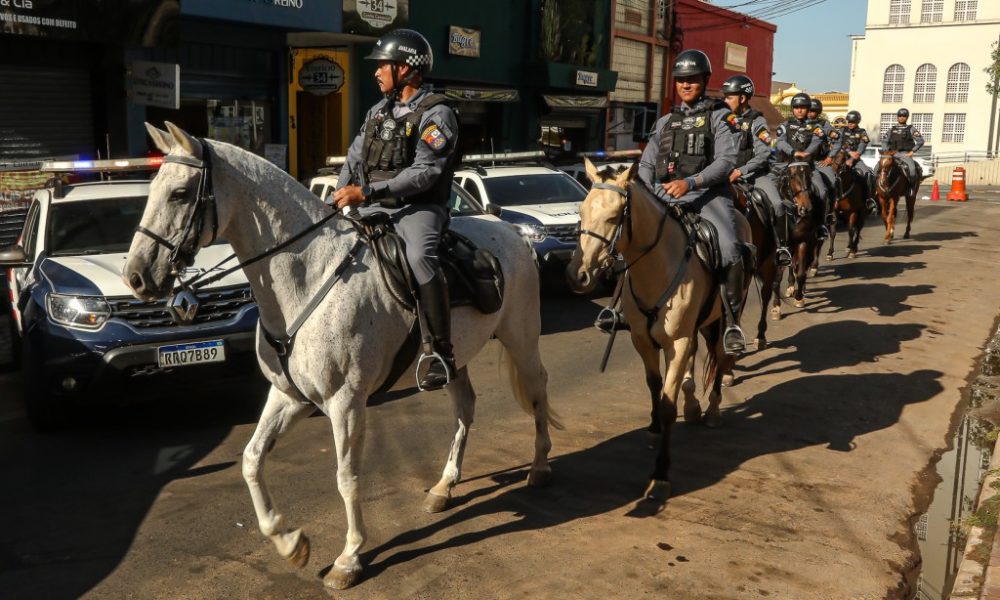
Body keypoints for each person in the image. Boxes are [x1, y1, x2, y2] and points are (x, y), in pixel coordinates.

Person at [333, 28, 460, 390]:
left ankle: (441, 352)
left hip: (418, 209)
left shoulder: (437, 114)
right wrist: (339, 193)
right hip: (373, 205)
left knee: (420, 256)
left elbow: (425, 173)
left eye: (382, 65)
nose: (375, 72)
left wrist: (368, 191)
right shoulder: (377, 111)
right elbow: (355, 157)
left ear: (405, 69)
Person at [638, 49, 748, 355]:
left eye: (693, 79)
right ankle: (624, 310)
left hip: (707, 197)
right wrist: (650, 190)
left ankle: (732, 322)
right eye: (681, 80)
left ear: (704, 81)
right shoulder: (664, 123)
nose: (686, 85)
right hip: (664, 196)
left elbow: (727, 161)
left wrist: (690, 182)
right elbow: (646, 164)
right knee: (630, 240)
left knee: (729, 248)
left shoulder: (720, 117)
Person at [721, 74, 791, 266]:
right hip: (724, 176)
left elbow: (763, 154)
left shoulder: (757, 122)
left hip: (754, 176)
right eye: (725, 97)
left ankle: (780, 247)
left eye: (729, 97)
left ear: (742, 98)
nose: (725, 100)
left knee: (777, 204)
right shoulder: (722, 120)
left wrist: (740, 171)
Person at [754, 92, 828, 252]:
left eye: (803, 108)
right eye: (796, 107)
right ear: (793, 109)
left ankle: (821, 226)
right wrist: (793, 152)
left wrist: (806, 153)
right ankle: (772, 229)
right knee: (769, 193)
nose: (799, 110)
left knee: (821, 192)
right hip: (785, 167)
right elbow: (780, 142)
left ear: (808, 109)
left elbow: (817, 142)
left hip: (808, 168)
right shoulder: (784, 126)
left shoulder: (816, 127)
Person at [807, 98, 841, 227]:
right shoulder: (799, 123)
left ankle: (829, 213)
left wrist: (830, 157)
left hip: (820, 163)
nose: (811, 113)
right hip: (801, 163)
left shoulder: (825, 124)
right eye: (809, 110)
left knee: (832, 182)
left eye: (814, 111)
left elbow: (837, 139)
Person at [882, 108, 924, 196]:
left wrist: (912, 151)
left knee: (912, 170)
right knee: (877, 168)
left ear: (907, 117)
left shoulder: (911, 129)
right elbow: (884, 141)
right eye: (899, 116)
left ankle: (911, 189)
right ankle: (877, 189)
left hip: (905, 155)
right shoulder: (891, 129)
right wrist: (886, 152)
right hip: (892, 154)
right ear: (897, 117)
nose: (901, 118)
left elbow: (920, 141)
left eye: (904, 116)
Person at [840, 110, 877, 211]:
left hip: (856, 160)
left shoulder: (862, 132)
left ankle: (868, 199)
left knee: (868, 174)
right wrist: (848, 151)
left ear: (857, 122)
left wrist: (853, 158)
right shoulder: (842, 130)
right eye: (849, 121)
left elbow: (862, 147)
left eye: (853, 122)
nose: (850, 124)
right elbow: (838, 143)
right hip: (841, 159)